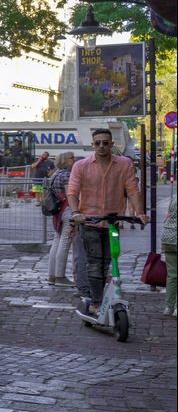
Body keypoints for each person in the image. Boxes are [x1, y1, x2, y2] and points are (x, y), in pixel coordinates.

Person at [68, 128, 149, 311]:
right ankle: (96, 302)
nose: (101, 146)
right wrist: (75, 212)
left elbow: (132, 190)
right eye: (98, 143)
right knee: (95, 263)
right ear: (93, 145)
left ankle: (104, 297)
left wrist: (140, 213)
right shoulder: (81, 166)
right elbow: (72, 192)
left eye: (105, 142)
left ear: (112, 144)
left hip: (113, 223)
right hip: (90, 222)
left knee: (110, 261)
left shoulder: (124, 164)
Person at [46, 152, 77, 288]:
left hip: (57, 211)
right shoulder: (66, 175)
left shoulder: (56, 174)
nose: (74, 160)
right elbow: (70, 194)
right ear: (65, 161)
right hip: (67, 210)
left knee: (57, 241)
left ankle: (52, 275)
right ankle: (60, 276)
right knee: (65, 242)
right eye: (72, 158)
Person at [163, 189, 176, 318]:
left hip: (168, 237)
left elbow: (167, 218)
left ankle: (169, 307)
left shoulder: (174, 198)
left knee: (172, 275)